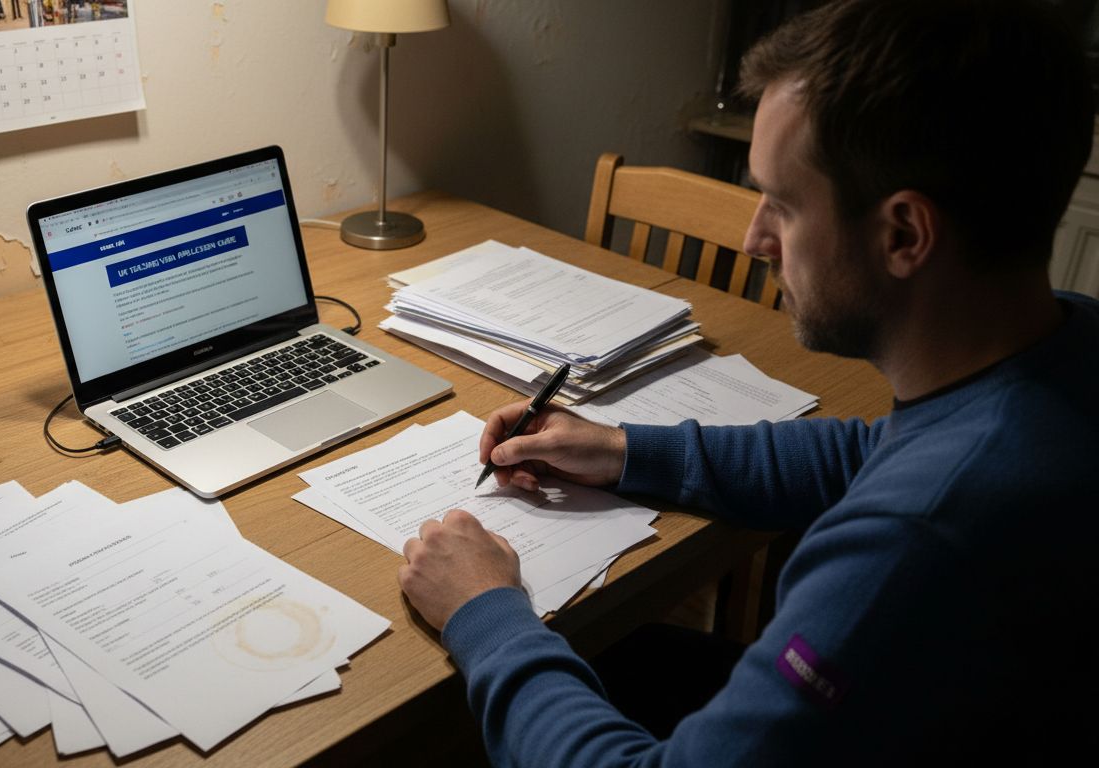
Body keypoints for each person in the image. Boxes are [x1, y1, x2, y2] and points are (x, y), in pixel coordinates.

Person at [397, 0, 1099, 764]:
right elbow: (873, 453)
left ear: (903, 235)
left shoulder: (915, 544)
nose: (752, 237)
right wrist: (622, 450)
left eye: (783, 205)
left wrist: (485, 609)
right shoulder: (1063, 343)